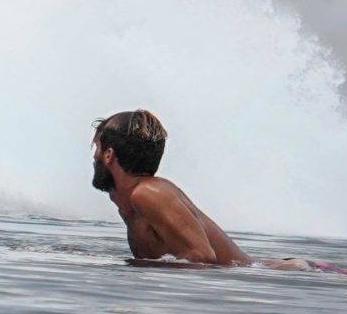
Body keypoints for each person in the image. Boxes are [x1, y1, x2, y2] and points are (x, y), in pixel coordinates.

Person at [91, 110, 252, 267]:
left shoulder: (147, 194)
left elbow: (202, 256)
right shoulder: (131, 204)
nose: (93, 157)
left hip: (255, 276)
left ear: (108, 154)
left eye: (96, 148)